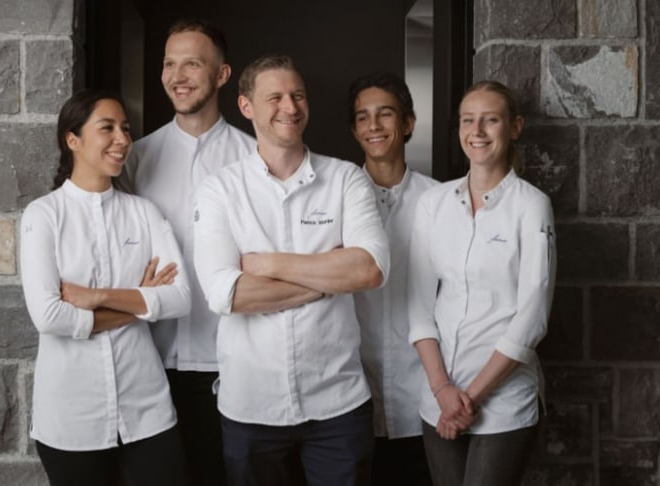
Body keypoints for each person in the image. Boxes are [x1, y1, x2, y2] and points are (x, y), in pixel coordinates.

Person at [192, 55, 390, 486]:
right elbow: (227, 294)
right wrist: (327, 279)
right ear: (246, 106)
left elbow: (370, 270)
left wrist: (268, 264)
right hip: (251, 407)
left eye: (298, 95)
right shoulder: (220, 190)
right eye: (275, 97)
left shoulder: (345, 179)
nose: (290, 107)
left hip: (338, 402)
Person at [20, 89, 191, 486]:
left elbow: (181, 298)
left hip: (147, 410)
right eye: (107, 128)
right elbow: (49, 316)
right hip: (70, 417)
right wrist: (139, 303)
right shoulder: (43, 216)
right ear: (73, 139)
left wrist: (97, 298)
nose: (122, 139)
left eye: (126, 129)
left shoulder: (144, 212)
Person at [119, 18, 254, 486]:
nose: (177, 76)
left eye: (192, 64)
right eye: (169, 64)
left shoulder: (255, 159)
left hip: (231, 362)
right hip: (150, 361)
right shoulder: (133, 158)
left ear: (222, 75)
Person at [408, 80, 556, 486]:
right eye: (467, 120)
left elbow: (532, 319)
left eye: (490, 120)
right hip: (439, 397)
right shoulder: (433, 204)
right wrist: (443, 391)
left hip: (503, 401)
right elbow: (418, 306)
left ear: (515, 127)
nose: (477, 131)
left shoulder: (531, 206)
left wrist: (468, 399)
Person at [348, 72, 437, 486]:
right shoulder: (336, 198)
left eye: (385, 114)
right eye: (362, 117)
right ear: (354, 131)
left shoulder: (440, 200)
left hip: (424, 392)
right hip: (352, 395)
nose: (374, 126)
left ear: (408, 123)